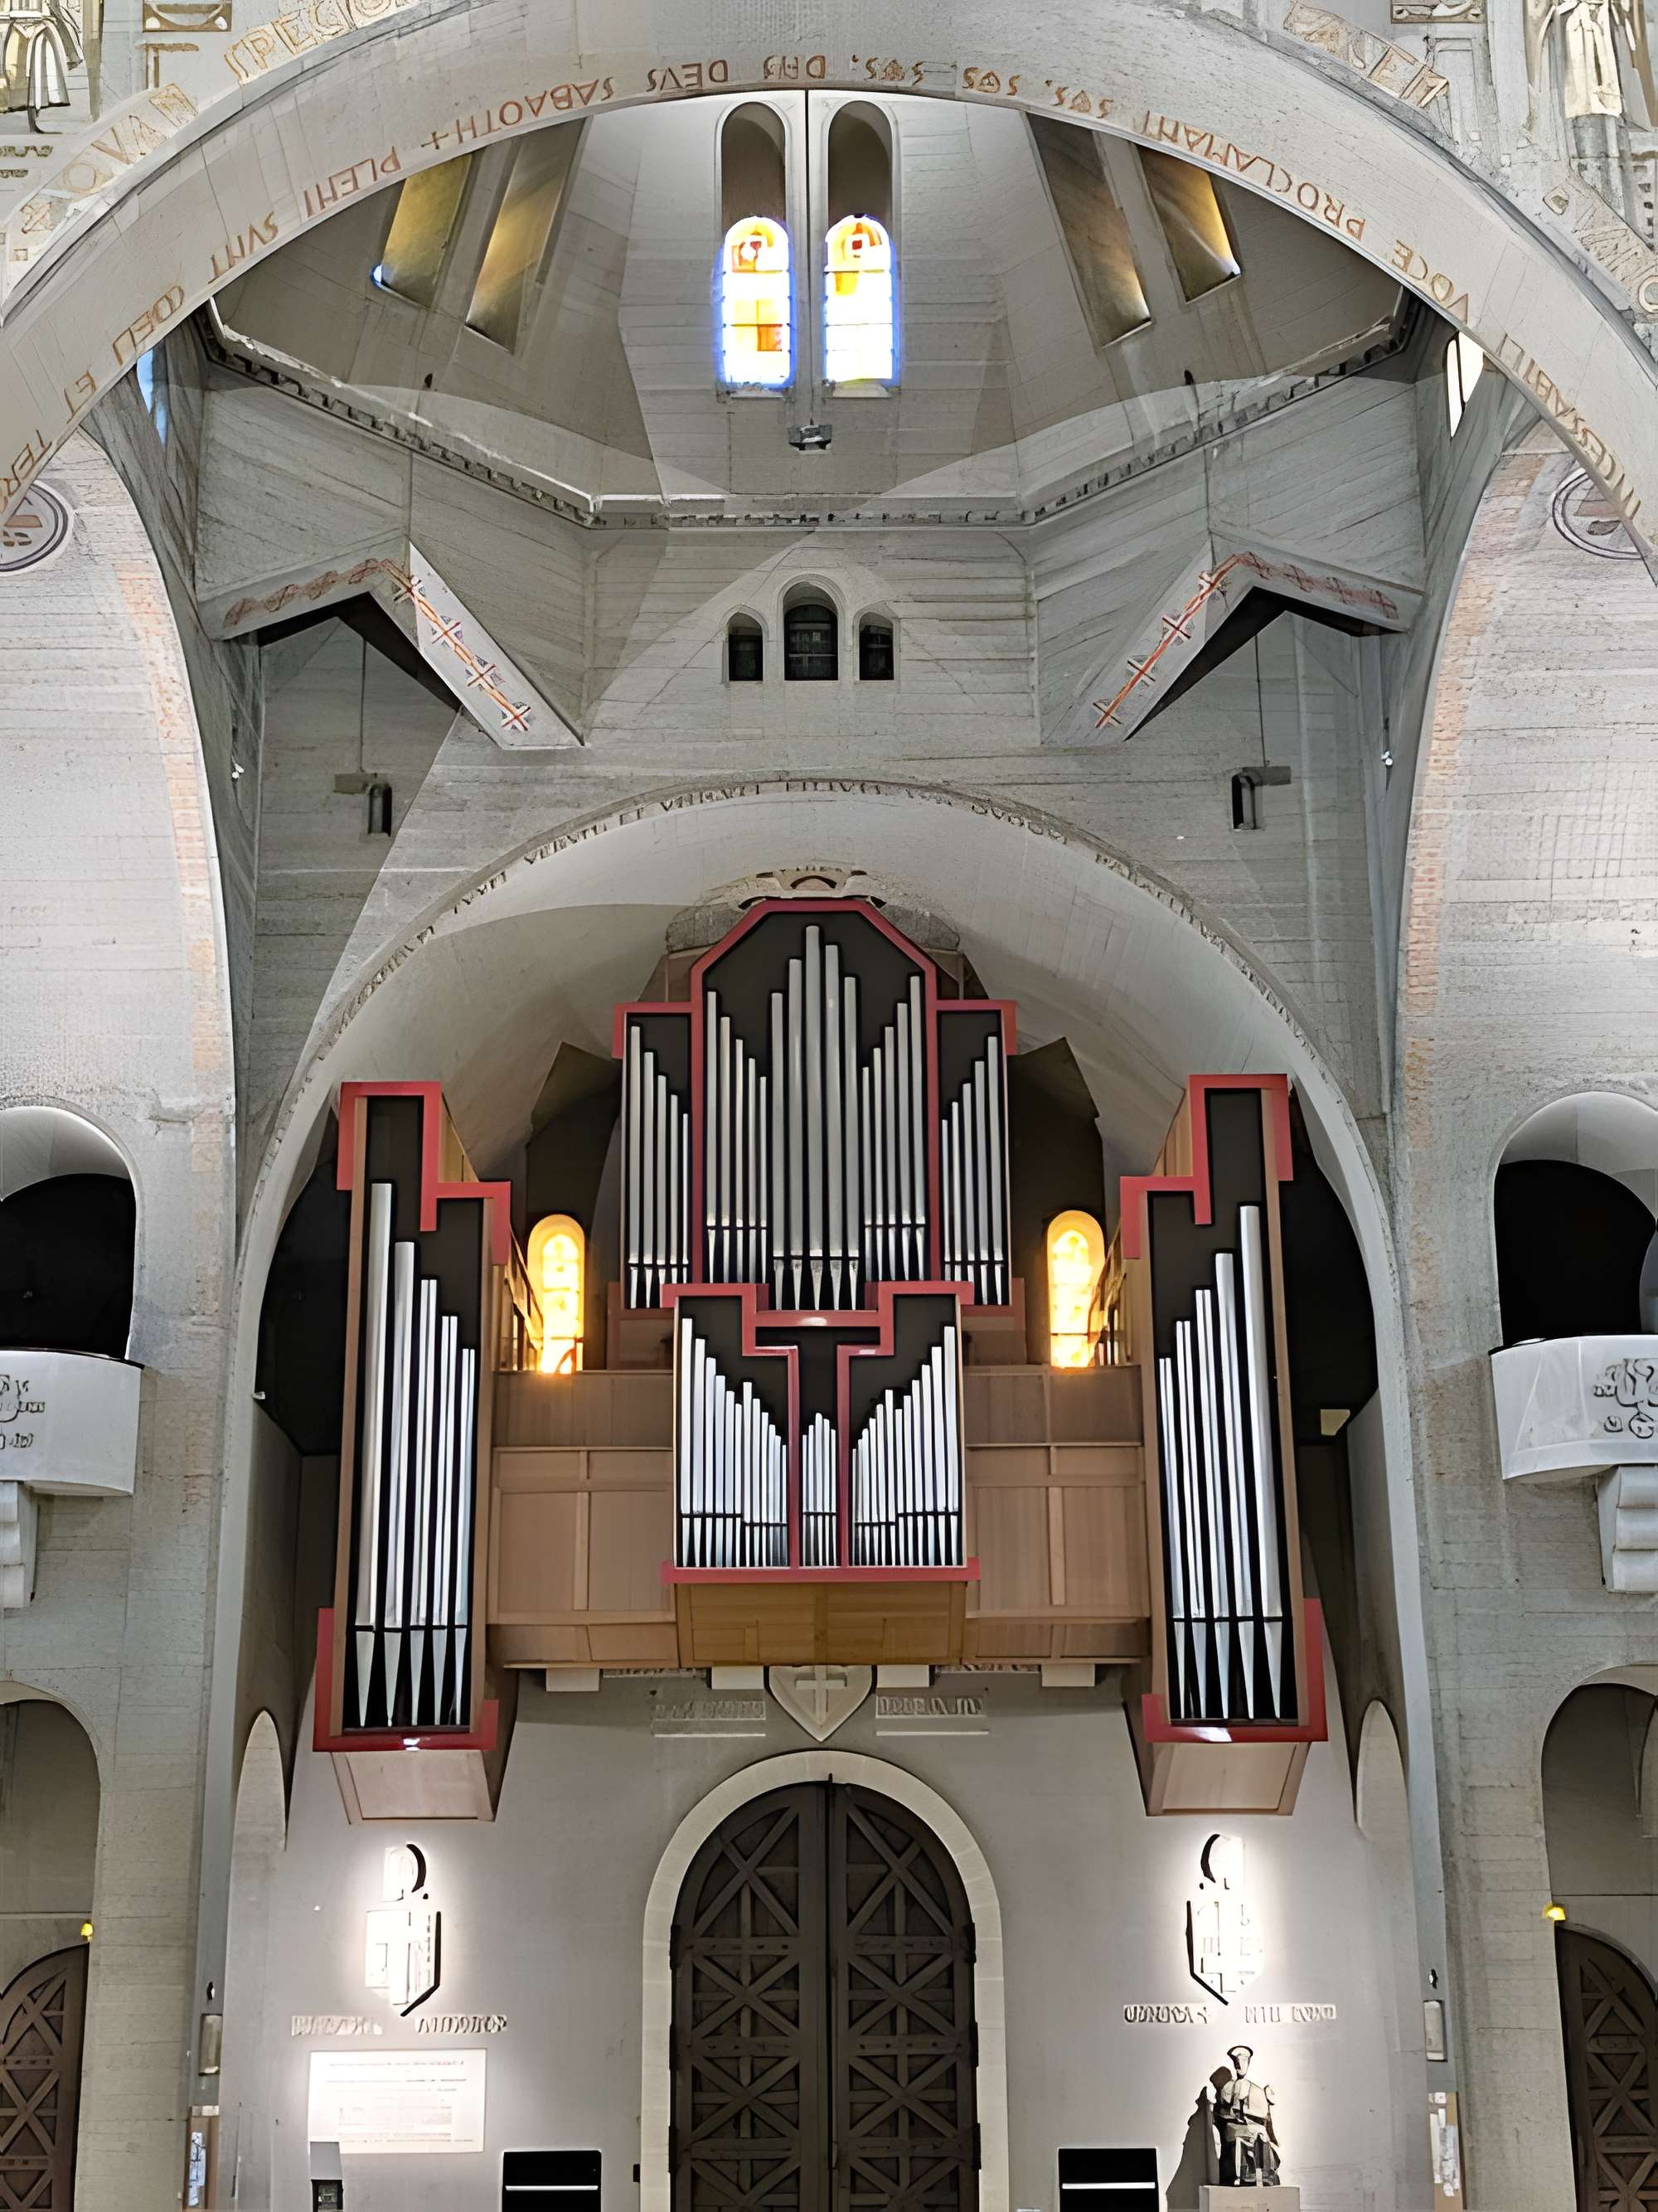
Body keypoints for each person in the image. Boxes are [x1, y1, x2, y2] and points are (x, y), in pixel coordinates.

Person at [1212, 2043, 1282, 2187]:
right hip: (1237, 2131)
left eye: (1243, 2061)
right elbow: (1227, 2115)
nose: (1240, 2065)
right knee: (1240, 2144)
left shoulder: (1251, 2089)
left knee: (1258, 2144)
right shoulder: (1228, 2089)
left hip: (1251, 2131)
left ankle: (1260, 2175)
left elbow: (1264, 2119)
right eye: (1238, 2061)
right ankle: (1246, 2175)